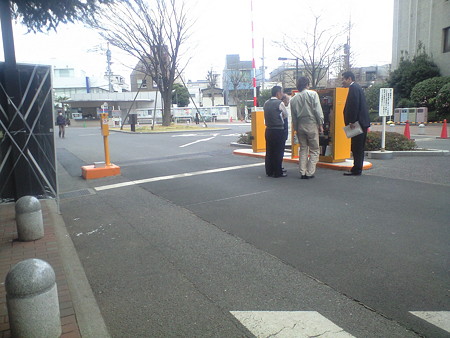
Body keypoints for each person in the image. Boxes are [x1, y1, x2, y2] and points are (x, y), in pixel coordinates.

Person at [290, 77, 324, 179]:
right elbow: (318, 111)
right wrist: (321, 124)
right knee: (314, 149)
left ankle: (302, 172)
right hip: (311, 123)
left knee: (303, 148)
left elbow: (294, 117)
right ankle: (310, 172)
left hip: (300, 125)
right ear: (307, 85)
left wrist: (296, 128)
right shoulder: (313, 94)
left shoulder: (293, 99)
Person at [341, 71, 370, 176]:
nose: (342, 82)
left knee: (357, 147)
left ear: (349, 79)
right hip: (362, 122)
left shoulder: (353, 88)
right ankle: (357, 167)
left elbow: (353, 106)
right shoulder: (358, 88)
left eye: (343, 79)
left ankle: (356, 169)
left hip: (357, 123)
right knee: (358, 147)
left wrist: (352, 121)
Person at [264, 86, 288, 178]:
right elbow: (285, 114)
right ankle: (278, 172)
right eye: (281, 92)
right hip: (278, 130)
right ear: (278, 93)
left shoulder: (266, 103)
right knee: (278, 151)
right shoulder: (279, 103)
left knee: (269, 151)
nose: (282, 94)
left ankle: (269, 171)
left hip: (268, 129)